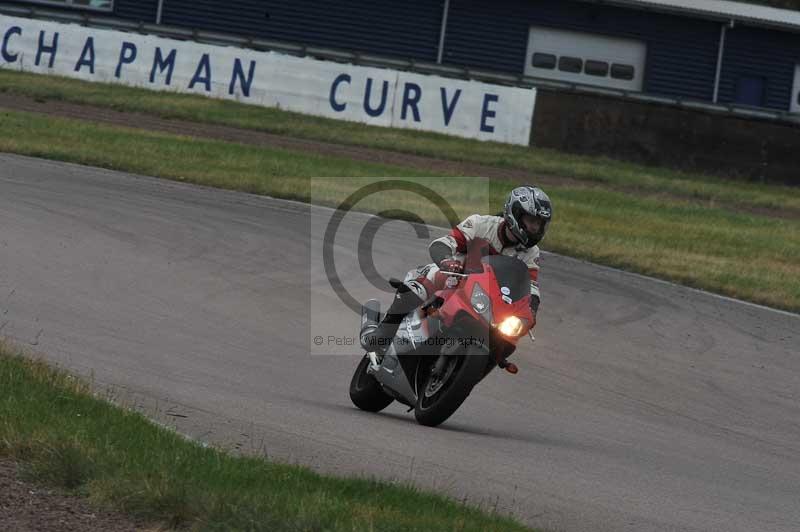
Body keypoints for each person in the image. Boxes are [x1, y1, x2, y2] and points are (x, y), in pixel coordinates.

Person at [360, 185, 553, 354]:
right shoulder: (481, 224)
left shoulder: (531, 253)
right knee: (421, 284)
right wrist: (446, 261)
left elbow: (531, 287)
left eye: (539, 225)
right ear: (516, 214)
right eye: (532, 221)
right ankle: (378, 335)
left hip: (490, 300)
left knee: (509, 338)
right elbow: (443, 243)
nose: (535, 228)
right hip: (455, 277)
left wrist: (531, 310)